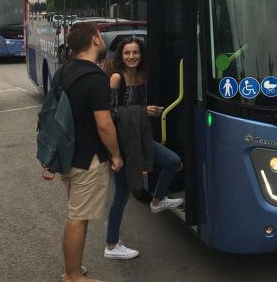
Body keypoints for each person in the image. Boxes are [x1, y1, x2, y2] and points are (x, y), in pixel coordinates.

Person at [104, 37, 184, 260]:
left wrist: (149, 112)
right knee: (122, 194)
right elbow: (110, 112)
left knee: (173, 162)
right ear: (121, 55)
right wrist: (142, 111)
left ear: (141, 55)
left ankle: (157, 201)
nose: (131, 57)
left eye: (135, 53)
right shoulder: (116, 78)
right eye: (127, 53)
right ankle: (111, 244)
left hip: (141, 138)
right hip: (123, 143)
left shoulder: (141, 76)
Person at [59, 22, 123, 282]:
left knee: (76, 214)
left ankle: (73, 270)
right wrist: (116, 155)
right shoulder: (96, 79)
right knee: (78, 218)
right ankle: (73, 275)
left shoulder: (64, 72)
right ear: (96, 39)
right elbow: (104, 124)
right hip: (88, 160)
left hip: (66, 156)